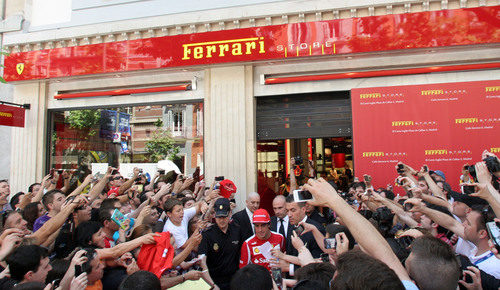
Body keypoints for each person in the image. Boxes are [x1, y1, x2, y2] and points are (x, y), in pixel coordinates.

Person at [199, 198, 242, 290]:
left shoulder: (237, 230)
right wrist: (212, 285)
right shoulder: (207, 234)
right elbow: (201, 261)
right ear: (214, 215)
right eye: (219, 217)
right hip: (215, 281)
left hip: (235, 281)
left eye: (224, 216)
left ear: (230, 214)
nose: (221, 220)